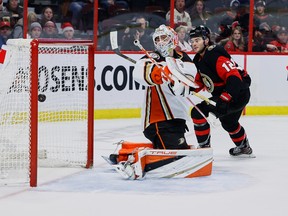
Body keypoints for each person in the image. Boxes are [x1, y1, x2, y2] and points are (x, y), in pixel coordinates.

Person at [188, 25, 253, 156]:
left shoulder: (214, 54)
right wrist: (186, 87)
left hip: (236, 93)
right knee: (229, 123)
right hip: (236, 94)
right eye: (192, 41)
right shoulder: (199, 58)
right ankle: (244, 146)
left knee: (198, 112)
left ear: (206, 41)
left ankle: (204, 150)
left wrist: (225, 98)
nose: (194, 44)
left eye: (197, 40)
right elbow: (201, 81)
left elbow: (234, 78)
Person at [132, 24, 197, 150]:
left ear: (173, 39)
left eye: (164, 38)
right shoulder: (151, 58)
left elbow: (189, 79)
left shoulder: (183, 58)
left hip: (178, 119)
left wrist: (178, 79)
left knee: (180, 150)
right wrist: (160, 74)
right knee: (176, 153)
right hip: (158, 121)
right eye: (157, 39)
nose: (160, 42)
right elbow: (139, 73)